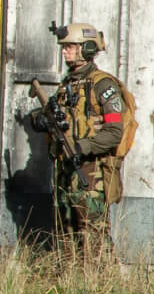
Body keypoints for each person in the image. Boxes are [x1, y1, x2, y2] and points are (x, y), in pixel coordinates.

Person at [34, 22, 132, 257]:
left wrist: (81, 146)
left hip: (91, 173)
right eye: (64, 47)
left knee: (94, 236)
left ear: (86, 49)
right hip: (65, 171)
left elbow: (114, 132)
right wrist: (42, 122)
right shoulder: (67, 86)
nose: (64, 51)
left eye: (70, 46)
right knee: (65, 235)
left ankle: (101, 286)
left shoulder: (103, 86)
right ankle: (70, 286)